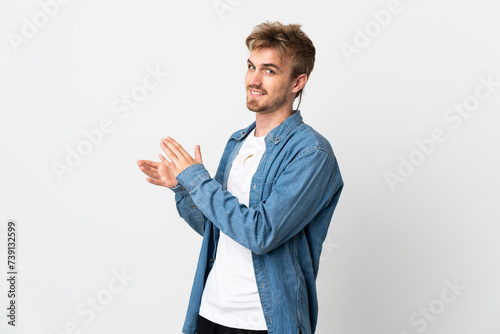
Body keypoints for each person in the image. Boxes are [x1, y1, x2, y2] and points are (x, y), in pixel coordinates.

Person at [137, 21, 343, 334]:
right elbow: (216, 229)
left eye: (270, 70)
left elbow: (261, 234)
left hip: (264, 323)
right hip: (210, 311)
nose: (254, 80)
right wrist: (182, 188)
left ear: (297, 82)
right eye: (251, 67)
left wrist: (197, 180)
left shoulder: (312, 153)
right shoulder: (238, 142)